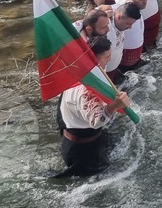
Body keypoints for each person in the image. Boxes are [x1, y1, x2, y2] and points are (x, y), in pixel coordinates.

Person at [56, 35, 132, 177]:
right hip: (82, 151)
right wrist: (115, 105)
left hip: (79, 137)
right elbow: (96, 121)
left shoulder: (75, 72)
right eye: (107, 56)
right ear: (94, 59)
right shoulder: (85, 90)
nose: (109, 60)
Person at [114, 0, 150, 72]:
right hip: (124, 58)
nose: (145, 2)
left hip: (137, 55)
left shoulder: (134, 7)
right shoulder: (123, 10)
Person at [104, 2, 141, 83]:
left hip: (114, 69)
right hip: (104, 74)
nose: (130, 27)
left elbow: (126, 2)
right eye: (128, 23)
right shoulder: (105, 27)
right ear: (119, 17)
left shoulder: (120, 24)